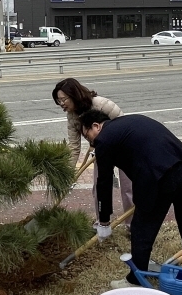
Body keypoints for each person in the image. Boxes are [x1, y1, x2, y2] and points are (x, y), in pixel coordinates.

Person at [79, 110, 182, 289]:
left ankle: (136, 280)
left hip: (161, 178)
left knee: (141, 230)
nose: (91, 143)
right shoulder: (128, 123)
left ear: (96, 126)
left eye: (88, 136)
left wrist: (104, 221)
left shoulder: (104, 138)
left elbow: (104, 181)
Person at [52, 78, 133, 230]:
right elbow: (74, 147)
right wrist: (68, 173)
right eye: (58, 101)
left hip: (124, 148)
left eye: (63, 99)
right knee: (99, 186)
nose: (61, 104)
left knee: (128, 188)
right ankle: (102, 223)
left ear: (74, 94)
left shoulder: (101, 104)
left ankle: (132, 225)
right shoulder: (72, 117)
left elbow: (125, 125)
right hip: (101, 150)